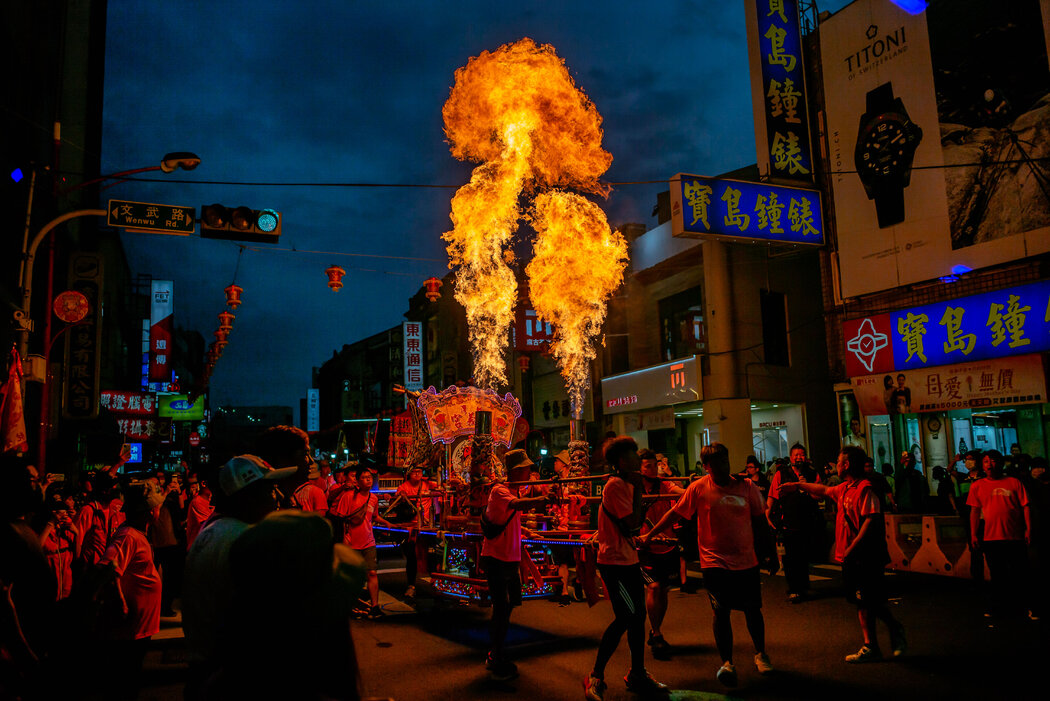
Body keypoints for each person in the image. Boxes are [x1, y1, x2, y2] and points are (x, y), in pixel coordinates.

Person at [644, 442, 777, 687]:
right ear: (706, 467)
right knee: (720, 611)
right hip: (713, 561)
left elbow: (760, 522)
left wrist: (771, 554)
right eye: (715, 465)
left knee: (752, 610)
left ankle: (760, 653)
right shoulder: (698, 488)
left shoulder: (746, 486)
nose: (722, 468)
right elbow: (674, 513)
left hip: (746, 560)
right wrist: (650, 534)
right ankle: (727, 662)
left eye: (725, 462)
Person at [181, 455, 296, 698]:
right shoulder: (244, 541)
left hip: (209, 672)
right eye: (271, 489)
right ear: (248, 495)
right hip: (233, 679)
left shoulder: (214, 530)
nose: (278, 498)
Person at [780, 446, 905, 663]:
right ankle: (872, 645)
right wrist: (797, 485)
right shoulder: (845, 487)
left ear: (846, 465)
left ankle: (888, 632)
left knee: (868, 600)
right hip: (851, 557)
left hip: (866, 556)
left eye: (838, 461)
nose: (835, 464)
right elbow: (823, 490)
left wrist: (852, 546)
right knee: (861, 601)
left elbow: (871, 520)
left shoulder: (866, 489)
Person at [584, 437, 668, 701]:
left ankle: (638, 673)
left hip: (628, 558)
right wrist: (641, 490)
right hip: (613, 563)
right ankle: (596, 676)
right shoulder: (616, 485)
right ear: (622, 461)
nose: (639, 460)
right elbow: (632, 523)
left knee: (637, 616)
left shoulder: (626, 484)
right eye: (634, 455)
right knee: (626, 616)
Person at [481, 449, 553, 682]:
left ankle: (498, 650)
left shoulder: (512, 490)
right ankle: (495, 655)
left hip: (510, 558)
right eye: (525, 469)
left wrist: (524, 530)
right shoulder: (500, 490)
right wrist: (541, 499)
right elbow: (518, 505)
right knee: (501, 608)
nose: (529, 472)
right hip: (496, 558)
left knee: (508, 606)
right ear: (515, 471)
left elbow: (509, 517)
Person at [102, 481, 165, 699]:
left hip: (139, 627)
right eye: (157, 507)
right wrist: (120, 602)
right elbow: (108, 566)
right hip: (129, 630)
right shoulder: (128, 535)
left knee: (131, 677)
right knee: (125, 681)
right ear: (150, 511)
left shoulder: (137, 534)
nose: (159, 511)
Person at [967, 449, 1032, 618]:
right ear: (983, 465)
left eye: (993, 461)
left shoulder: (1014, 483)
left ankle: (1022, 606)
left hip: (1014, 536)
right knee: (997, 573)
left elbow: (1025, 506)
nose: (990, 464)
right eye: (986, 461)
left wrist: (1028, 529)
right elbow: (974, 511)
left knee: (1018, 572)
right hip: (990, 537)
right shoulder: (977, 486)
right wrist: (974, 534)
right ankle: (999, 606)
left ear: (1001, 463)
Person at [638, 449, 684, 660]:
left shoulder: (664, 485)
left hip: (667, 544)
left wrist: (696, 489)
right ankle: (656, 633)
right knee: (654, 587)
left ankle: (656, 630)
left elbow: (679, 492)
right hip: (644, 546)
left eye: (654, 465)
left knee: (664, 590)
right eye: (647, 466)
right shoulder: (633, 488)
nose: (652, 469)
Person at [331, 466, 391, 619]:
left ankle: (375, 606)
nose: (368, 480)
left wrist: (386, 522)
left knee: (372, 572)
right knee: (351, 576)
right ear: (357, 481)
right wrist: (345, 537)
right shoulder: (348, 497)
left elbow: (374, 517)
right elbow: (340, 518)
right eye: (364, 477)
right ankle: (349, 605)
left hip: (368, 541)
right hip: (351, 542)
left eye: (369, 477)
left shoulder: (373, 498)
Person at [766, 443, 821, 603]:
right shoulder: (781, 474)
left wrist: (806, 487)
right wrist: (767, 514)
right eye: (796, 454)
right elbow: (772, 496)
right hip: (788, 521)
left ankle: (804, 587)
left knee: (804, 556)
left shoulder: (812, 474)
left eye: (802, 454)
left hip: (807, 520)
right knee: (790, 557)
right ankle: (794, 589)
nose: (799, 457)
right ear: (791, 457)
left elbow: (820, 495)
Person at [257, 425, 327, 514]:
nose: (311, 461)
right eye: (305, 454)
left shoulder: (287, 500)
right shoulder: (268, 508)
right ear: (283, 459)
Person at [393, 465, 433, 599]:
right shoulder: (403, 487)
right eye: (414, 472)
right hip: (410, 527)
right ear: (409, 474)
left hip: (427, 526)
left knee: (433, 553)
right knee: (411, 557)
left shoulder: (429, 484)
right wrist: (401, 497)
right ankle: (411, 585)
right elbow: (396, 499)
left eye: (419, 471)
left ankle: (436, 582)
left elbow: (442, 488)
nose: (416, 474)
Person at [184, 474, 214, 550]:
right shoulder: (197, 502)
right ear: (203, 484)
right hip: (199, 548)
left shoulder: (210, 500)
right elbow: (210, 525)